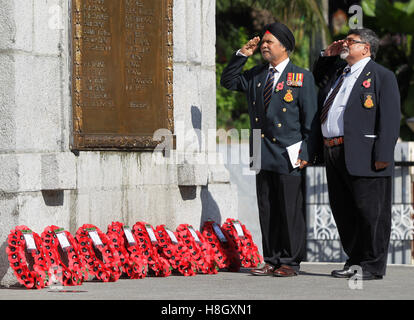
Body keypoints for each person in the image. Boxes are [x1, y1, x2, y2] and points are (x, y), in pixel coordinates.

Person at [221, 22, 319, 277]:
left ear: (285, 46)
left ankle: (290, 261)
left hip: (289, 152)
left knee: (288, 209)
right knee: (267, 207)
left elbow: (311, 120)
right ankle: (271, 258)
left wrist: (307, 153)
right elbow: (229, 81)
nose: (264, 46)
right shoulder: (257, 75)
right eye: (263, 42)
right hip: (259, 148)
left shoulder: (301, 77)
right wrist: (242, 55)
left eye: (269, 42)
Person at [313, 28, 401, 280]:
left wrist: (383, 153)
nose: (345, 44)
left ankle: (372, 265)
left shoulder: (382, 76)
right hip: (334, 150)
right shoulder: (339, 73)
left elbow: (390, 118)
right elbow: (314, 80)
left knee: (370, 211)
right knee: (344, 210)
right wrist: (326, 55)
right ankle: (355, 260)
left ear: (366, 48)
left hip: (366, 153)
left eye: (351, 41)